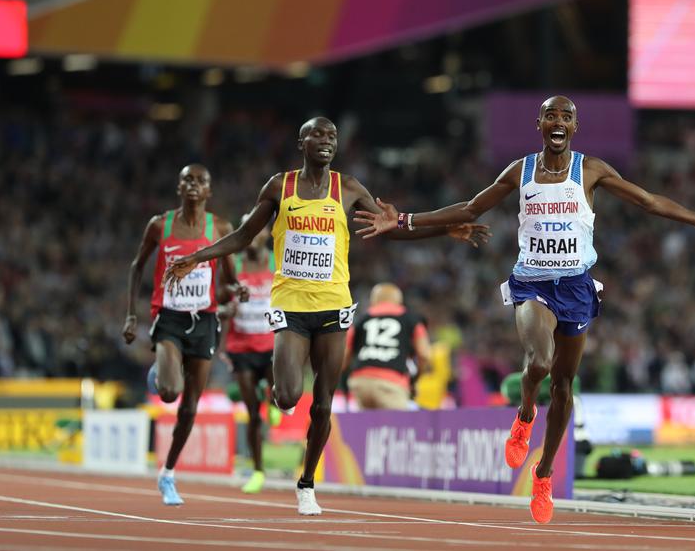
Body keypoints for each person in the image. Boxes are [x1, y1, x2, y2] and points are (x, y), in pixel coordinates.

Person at [354, 95, 695, 524]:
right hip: (532, 282)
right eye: (551, 114)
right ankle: (526, 411)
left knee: (565, 387)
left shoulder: (591, 170)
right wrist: (403, 221)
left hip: (577, 287)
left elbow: (650, 202)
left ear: (574, 126)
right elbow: (471, 207)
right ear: (539, 123)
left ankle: (544, 472)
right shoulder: (521, 170)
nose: (558, 121)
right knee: (540, 361)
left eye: (566, 116)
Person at [163, 117, 488, 516]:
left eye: (332, 136)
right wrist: (196, 257)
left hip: (333, 306)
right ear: (302, 142)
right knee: (286, 395)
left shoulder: (348, 187)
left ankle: (306, 484)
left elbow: (391, 227)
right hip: (292, 307)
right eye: (317, 134)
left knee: (322, 405)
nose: (326, 141)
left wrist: (445, 228)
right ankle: (280, 400)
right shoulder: (279, 186)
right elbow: (244, 236)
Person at [123, 164, 243, 506]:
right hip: (169, 318)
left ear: (209, 190)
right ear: (179, 187)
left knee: (190, 407)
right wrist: (132, 314)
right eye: (187, 179)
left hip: (204, 321)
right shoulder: (160, 225)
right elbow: (137, 266)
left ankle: (168, 474)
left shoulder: (219, 227)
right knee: (169, 392)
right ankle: (161, 373)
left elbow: (229, 278)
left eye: (200, 181)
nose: (193, 185)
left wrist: (239, 291)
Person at [220, 221, 280, 494]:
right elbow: (219, 298)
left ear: (267, 234)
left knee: (281, 393)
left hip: (271, 345)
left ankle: (275, 403)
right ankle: (258, 471)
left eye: (258, 231)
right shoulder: (233, 265)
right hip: (241, 346)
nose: (253, 236)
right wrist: (226, 309)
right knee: (253, 414)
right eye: (247, 230)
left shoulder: (277, 261)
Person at [344, 283, 430, 410]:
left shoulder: (360, 320)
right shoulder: (411, 319)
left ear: (374, 300)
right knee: (397, 428)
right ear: (399, 300)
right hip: (392, 383)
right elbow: (424, 354)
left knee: (365, 428)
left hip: (361, 382)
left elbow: (343, 356)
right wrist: (415, 379)